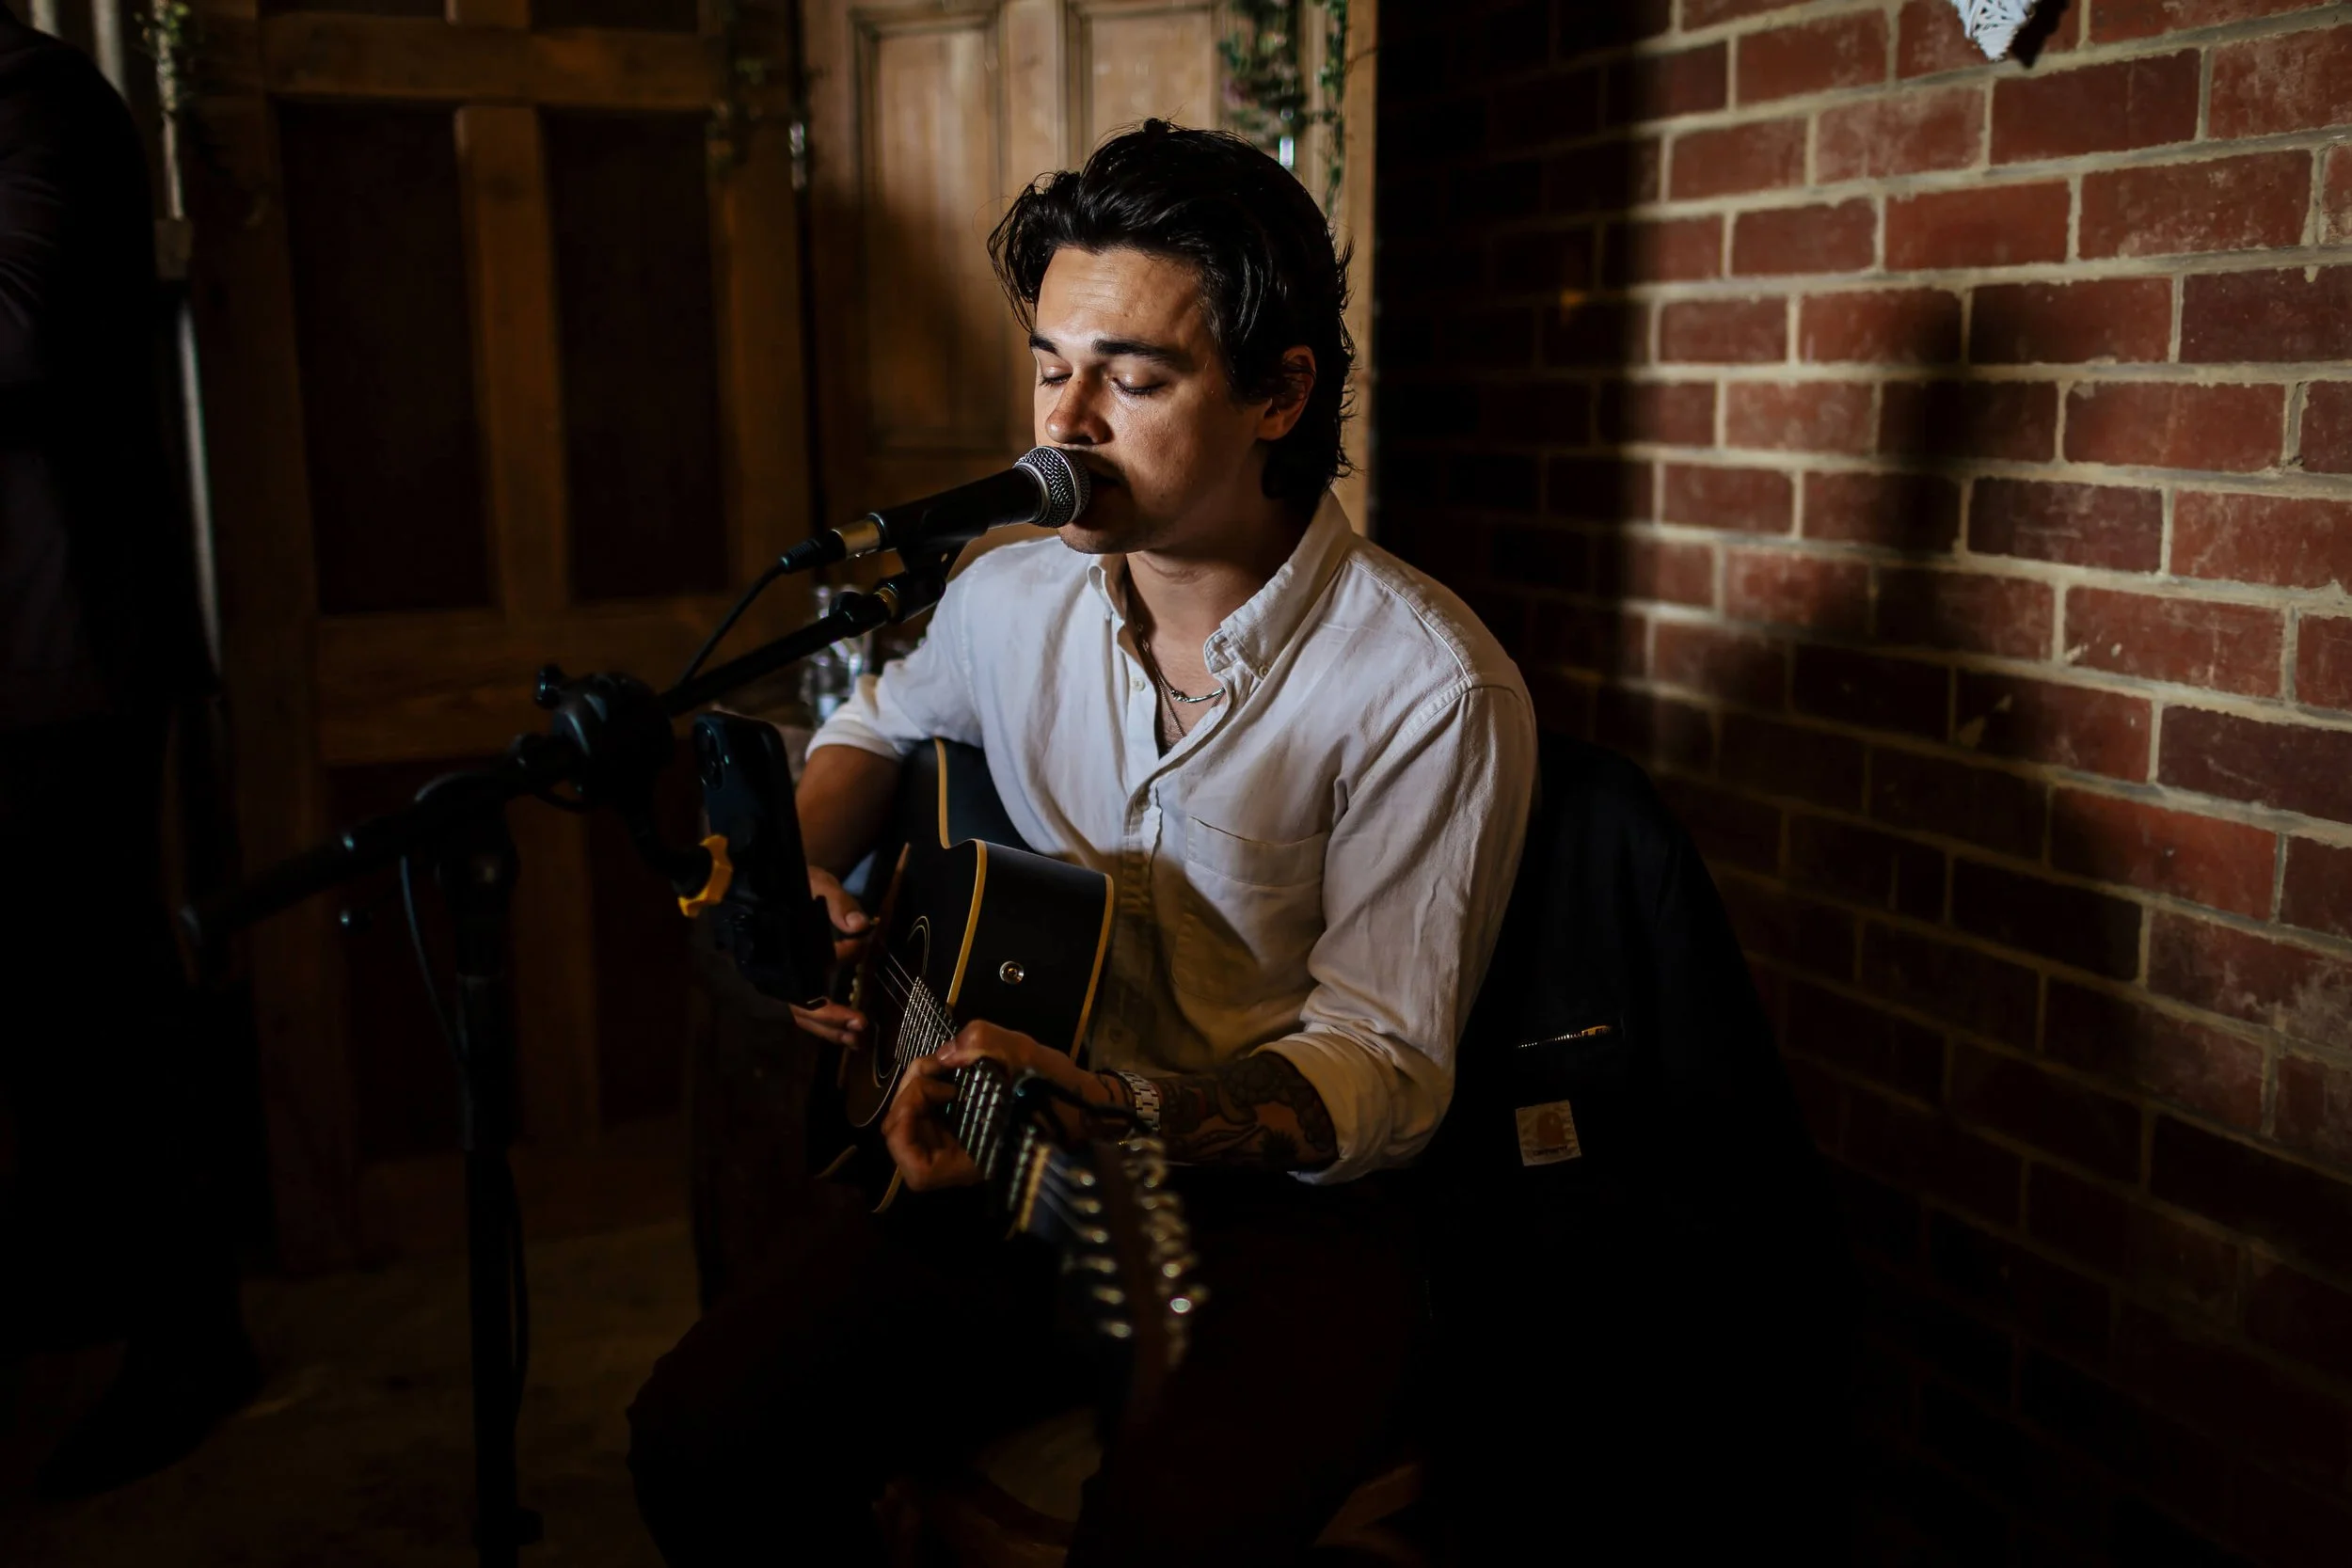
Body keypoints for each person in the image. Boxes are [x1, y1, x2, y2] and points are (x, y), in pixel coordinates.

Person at [628, 120, 1536, 1566]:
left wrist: (1129, 1108)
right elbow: (876, 722)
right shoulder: (1009, 598)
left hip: (1280, 1221)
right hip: (1004, 1153)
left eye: (1133, 376)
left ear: (1281, 393)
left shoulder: (1428, 687)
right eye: (1050, 364)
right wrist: (810, 877)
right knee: (697, 1435)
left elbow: (1385, 1064)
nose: (1064, 422)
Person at [0, 5, 256, 1498]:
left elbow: (22, 329)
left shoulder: (38, 97)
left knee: (106, 1006)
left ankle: (191, 1337)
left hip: (58, 663)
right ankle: (77, 1286)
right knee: (42, 1022)